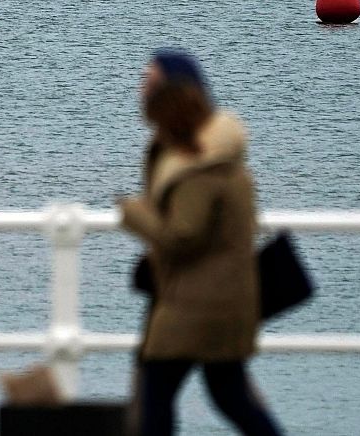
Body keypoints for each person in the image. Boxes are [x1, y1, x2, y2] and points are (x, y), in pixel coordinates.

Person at [117, 51, 282, 436]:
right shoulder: (192, 153)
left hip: (195, 306)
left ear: (173, 95)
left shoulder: (198, 163)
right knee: (230, 396)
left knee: (156, 400)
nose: (141, 88)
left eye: (150, 81)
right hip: (213, 300)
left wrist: (134, 214)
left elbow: (182, 235)